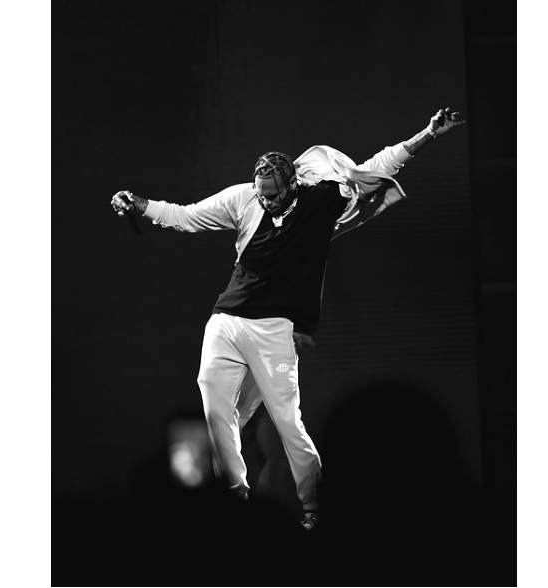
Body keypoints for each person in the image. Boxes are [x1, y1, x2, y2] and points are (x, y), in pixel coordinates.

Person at [110, 107, 465, 530]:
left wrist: (428, 134)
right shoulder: (243, 198)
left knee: (286, 420)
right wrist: (140, 203)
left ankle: (314, 505)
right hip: (227, 319)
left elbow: (377, 166)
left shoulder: (323, 198)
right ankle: (234, 501)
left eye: (275, 195)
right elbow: (185, 216)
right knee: (215, 407)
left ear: (294, 185)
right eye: (263, 194)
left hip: (274, 329)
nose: (268, 201)